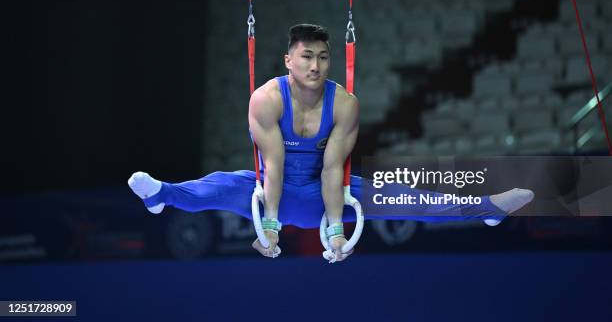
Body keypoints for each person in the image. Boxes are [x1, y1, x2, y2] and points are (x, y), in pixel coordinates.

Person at [128, 24, 534, 262]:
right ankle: (160, 196)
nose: (315, 66)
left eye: (322, 57)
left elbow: (331, 167)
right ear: (288, 60)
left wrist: (337, 231)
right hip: (276, 186)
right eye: (306, 57)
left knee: (401, 196)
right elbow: (274, 165)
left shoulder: (344, 103)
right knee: (223, 185)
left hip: (330, 193)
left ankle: (486, 209)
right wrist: (269, 227)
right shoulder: (266, 99)